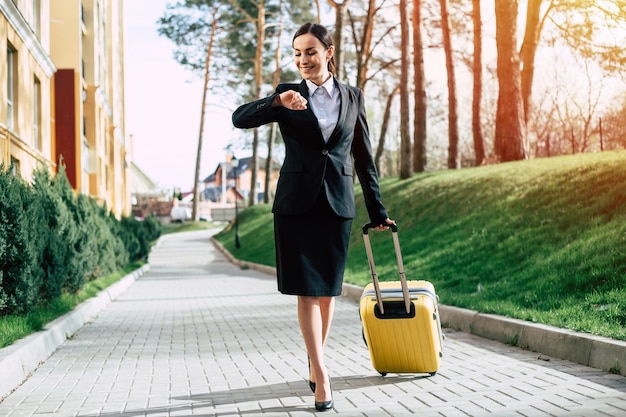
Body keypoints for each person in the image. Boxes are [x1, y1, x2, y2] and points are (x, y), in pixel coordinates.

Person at [232, 22, 393, 412]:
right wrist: (276, 103)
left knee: (327, 292)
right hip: (296, 205)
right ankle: (322, 375)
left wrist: (377, 210)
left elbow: (364, 158)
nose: (303, 60)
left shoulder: (353, 97)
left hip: (337, 204)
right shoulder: (288, 94)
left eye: (310, 52)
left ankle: (314, 356)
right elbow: (240, 118)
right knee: (307, 290)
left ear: (329, 52)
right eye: (297, 53)